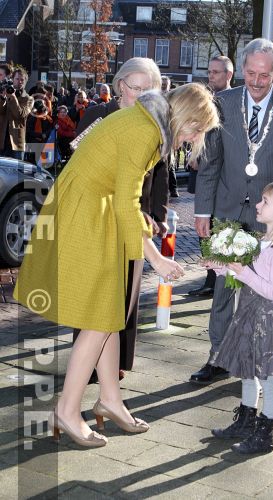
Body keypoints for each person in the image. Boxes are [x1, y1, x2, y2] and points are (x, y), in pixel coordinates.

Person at [14, 82, 219, 448]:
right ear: (186, 116)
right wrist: (155, 257)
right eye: (196, 129)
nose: (193, 137)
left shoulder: (147, 123)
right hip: (89, 212)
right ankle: (67, 409)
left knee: (108, 311)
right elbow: (127, 200)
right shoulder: (145, 131)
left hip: (94, 208)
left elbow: (124, 198)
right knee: (97, 318)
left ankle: (109, 399)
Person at [190, 38, 273, 384]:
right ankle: (217, 357)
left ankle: (251, 363)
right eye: (251, 73)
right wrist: (202, 211)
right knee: (222, 288)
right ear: (241, 70)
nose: (257, 81)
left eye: (265, 74)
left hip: (270, 219)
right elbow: (211, 162)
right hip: (228, 210)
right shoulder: (223, 103)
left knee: (258, 294)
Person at [74, 57, 166, 383]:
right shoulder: (98, 115)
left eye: (148, 89)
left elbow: (160, 173)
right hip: (98, 217)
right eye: (135, 88)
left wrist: (157, 214)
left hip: (135, 219)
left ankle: (116, 365)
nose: (141, 96)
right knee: (94, 293)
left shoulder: (154, 123)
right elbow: (81, 168)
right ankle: (86, 365)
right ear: (120, 85)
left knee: (126, 294)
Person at [208, 182, 273, 454]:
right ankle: (246, 422)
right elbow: (245, 276)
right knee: (246, 372)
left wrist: (242, 272)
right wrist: (221, 267)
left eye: (265, 201)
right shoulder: (261, 241)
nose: (258, 205)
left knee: (267, 379)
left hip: (264, 321)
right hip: (247, 316)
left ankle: (265, 436)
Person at [188, 55, 234, 298]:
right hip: (202, 174)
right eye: (209, 71)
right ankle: (210, 277)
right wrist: (193, 152)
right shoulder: (205, 100)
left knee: (217, 229)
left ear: (229, 75)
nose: (211, 76)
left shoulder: (232, 102)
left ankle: (216, 278)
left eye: (216, 72)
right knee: (203, 229)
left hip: (221, 178)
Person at [0, 68, 34, 160]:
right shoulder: (5, 93)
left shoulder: (29, 99)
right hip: (2, 141)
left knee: (16, 173)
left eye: (22, 79)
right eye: (17, 79)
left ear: (25, 81)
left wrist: (13, 96)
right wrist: (2, 98)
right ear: (12, 79)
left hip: (16, 144)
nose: (19, 81)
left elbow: (19, 114)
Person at [161, 76, 179, 198]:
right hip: (157, 133)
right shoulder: (155, 97)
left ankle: (173, 189)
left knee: (170, 163)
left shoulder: (172, 98)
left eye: (165, 84)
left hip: (169, 133)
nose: (163, 86)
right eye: (162, 83)